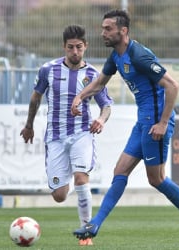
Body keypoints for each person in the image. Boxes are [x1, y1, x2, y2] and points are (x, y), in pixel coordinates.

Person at [71, 9, 179, 246]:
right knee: (120, 170)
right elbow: (100, 82)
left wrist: (163, 122)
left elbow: (173, 86)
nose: (103, 33)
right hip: (142, 122)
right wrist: (80, 97)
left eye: (108, 29)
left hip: (155, 122)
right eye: (103, 28)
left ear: (123, 31)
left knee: (157, 179)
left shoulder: (138, 55)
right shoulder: (116, 56)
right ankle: (94, 225)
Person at [20, 25, 113, 246]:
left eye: (79, 47)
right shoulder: (48, 70)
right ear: (64, 47)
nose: (74, 52)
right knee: (59, 195)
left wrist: (101, 119)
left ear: (85, 46)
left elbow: (106, 105)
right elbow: (35, 99)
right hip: (55, 136)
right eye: (70, 47)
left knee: (82, 177)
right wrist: (29, 125)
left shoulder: (93, 75)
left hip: (82, 133)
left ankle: (87, 232)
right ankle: (69, 180)